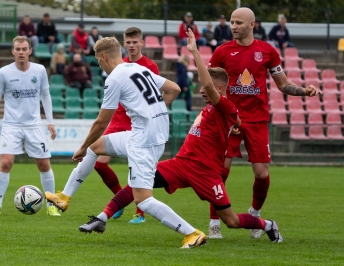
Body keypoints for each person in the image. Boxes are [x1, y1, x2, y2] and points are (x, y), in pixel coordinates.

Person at [77, 29, 284, 244]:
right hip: (182, 164)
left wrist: (194, 52)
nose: (202, 90)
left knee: (230, 221)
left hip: (206, 173)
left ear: (220, 88)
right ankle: (102, 218)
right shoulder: (214, 109)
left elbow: (222, 102)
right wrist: (238, 125)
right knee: (138, 183)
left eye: (208, 88)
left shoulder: (224, 106)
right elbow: (235, 120)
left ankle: (268, 225)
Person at [45, 37, 207, 248]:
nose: (100, 65)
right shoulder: (138, 69)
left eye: (98, 61)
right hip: (144, 134)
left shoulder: (115, 78)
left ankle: (192, 233)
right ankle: (63, 197)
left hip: (144, 142)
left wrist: (82, 147)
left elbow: (101, 121)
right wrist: (156, 110)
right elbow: (174, 88)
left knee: (143, 200)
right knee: (96, 148)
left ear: (103, 56)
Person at [208, 7, 321, 238]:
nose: (234, 26)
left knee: (261, 173)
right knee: (220, 170)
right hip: (229, 118)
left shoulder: (267, 51)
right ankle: (214, 222)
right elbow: (211, 86)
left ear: (252, 24)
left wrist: (303, 91)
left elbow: (282, 83)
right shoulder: (222, 52)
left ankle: (255, 214)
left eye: (239, 22)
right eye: (231, 22)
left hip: (257, 120)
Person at [0, 36, 60, 217]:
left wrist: (50, 121)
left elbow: (46, 96)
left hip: (34, 126)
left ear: (30, 51)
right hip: (11, 125)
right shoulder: (4, 73)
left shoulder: (40, 70)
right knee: (5, 162)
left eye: (24, 49)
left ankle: (51, 205)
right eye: (17, 49)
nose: (21, 52)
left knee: (43, 164)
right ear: (13, 51)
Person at [93, 27, 161, 224]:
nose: (131, 45)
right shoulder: (118, 65)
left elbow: (157, 96)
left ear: (142, 43)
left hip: (138, 124)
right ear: (124, 44)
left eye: (135, 42)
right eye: (128, 42)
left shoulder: (149, 66)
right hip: (118, 120)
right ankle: (119, 202)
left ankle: (140, 213)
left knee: (136, 169)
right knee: (99, 163)